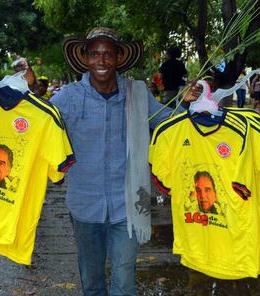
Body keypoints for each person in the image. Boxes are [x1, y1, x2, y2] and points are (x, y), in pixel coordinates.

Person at [51, 27, 200, 295]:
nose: (101, 61)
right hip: (84, 205)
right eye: (94, 53)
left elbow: (169, 125)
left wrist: (186, 103)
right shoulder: (67, 97)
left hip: (130, 204)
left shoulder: (138, 94)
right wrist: (20, 91)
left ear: (119, 57)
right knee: (92, 277)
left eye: (108, 54)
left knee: (123, 275)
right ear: (85, 58)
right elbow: (37, 126)